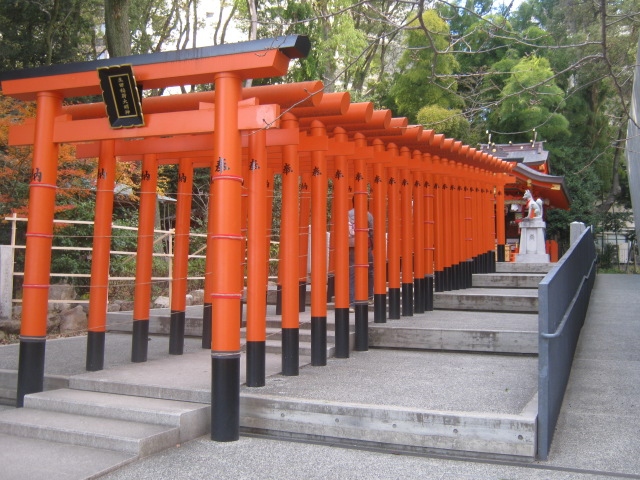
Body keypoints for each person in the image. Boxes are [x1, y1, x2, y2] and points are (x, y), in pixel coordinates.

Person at [348, 204, 374, 311]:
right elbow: (372, 231)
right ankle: (369, 296)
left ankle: (352, 302)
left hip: (351, 245)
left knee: (352, 273)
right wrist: (374, 245)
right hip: (365, 245)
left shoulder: (348, 214)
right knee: (370, 270)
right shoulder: (367, 214)